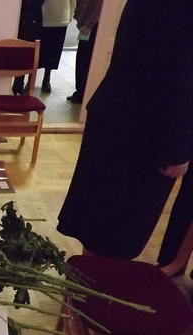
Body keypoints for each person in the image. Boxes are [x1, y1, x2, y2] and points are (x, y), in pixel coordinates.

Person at [57, 0, 193, 260]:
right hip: (139, 134)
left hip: (125, 123)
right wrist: (176, 150)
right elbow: (172, 76)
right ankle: (91, 286)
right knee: (114, 236)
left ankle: (84, 284)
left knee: (101, 232)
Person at [66, 0, 102, 104]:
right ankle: (80, 92)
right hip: (88, 24)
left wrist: (88, 25)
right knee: (81, 58)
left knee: (84, 60)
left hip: (91, 26)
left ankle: (82, 93)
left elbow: (98, 8)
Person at [39, 0, 76, 93]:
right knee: (37, 51)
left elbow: (73, 2)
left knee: (53, 52)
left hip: (61, 19)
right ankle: (31, 79)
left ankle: (47, 78)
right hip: (41, 18)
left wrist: (69, 16)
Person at [13, 0, 45, 95]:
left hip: (34, 20)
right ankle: (18, 83)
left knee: (28, 54)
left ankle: (21, 83)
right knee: (20, 52)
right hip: (21, 18)